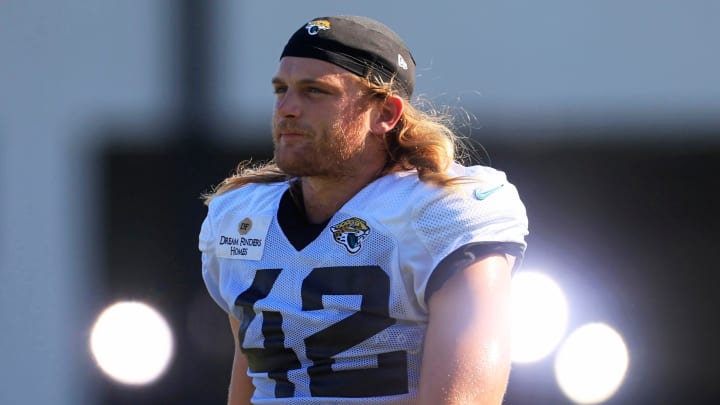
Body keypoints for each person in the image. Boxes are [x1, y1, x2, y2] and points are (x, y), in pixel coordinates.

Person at [199, 15, 528, 405]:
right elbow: (255, 365)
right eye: (281, 90)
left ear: (386, 114)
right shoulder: (242, 217)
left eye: (315, 91)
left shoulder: (445, 212)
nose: (287, 108)